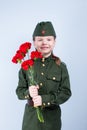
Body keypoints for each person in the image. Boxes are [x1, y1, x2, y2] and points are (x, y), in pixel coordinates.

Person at [16, 21, 72, 130]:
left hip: (52, 120)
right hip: (31, 120)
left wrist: (45, 99)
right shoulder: (27, 65)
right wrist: (28, 92)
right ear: (34, 42)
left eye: (49, 39)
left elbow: (66, 92)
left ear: (54, 41)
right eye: (40, 40)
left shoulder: (60, 67)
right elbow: (19, 92)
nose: (44, 43)